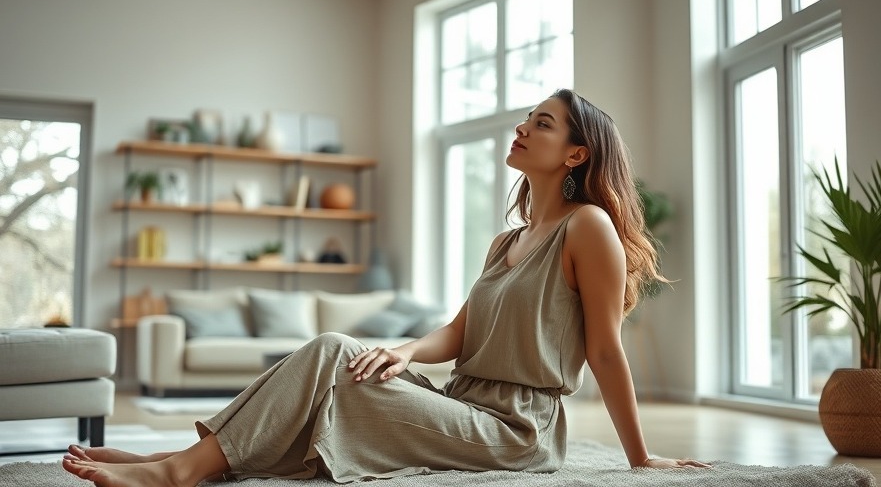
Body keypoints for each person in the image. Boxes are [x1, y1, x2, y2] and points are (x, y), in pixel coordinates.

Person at [62, 89, 710, 486]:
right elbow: (458, 331)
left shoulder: (588, 226)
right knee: (335, 354)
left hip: (516, 432)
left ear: (575, 154)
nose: (522, 128)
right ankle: (188, 457)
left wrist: (640, 458)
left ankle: (181, 470)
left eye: (541, 123)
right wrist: (403, 353)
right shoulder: (506, 241)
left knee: (332, 367)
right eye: (525, 119)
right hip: (461, 403)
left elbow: (605, 350)